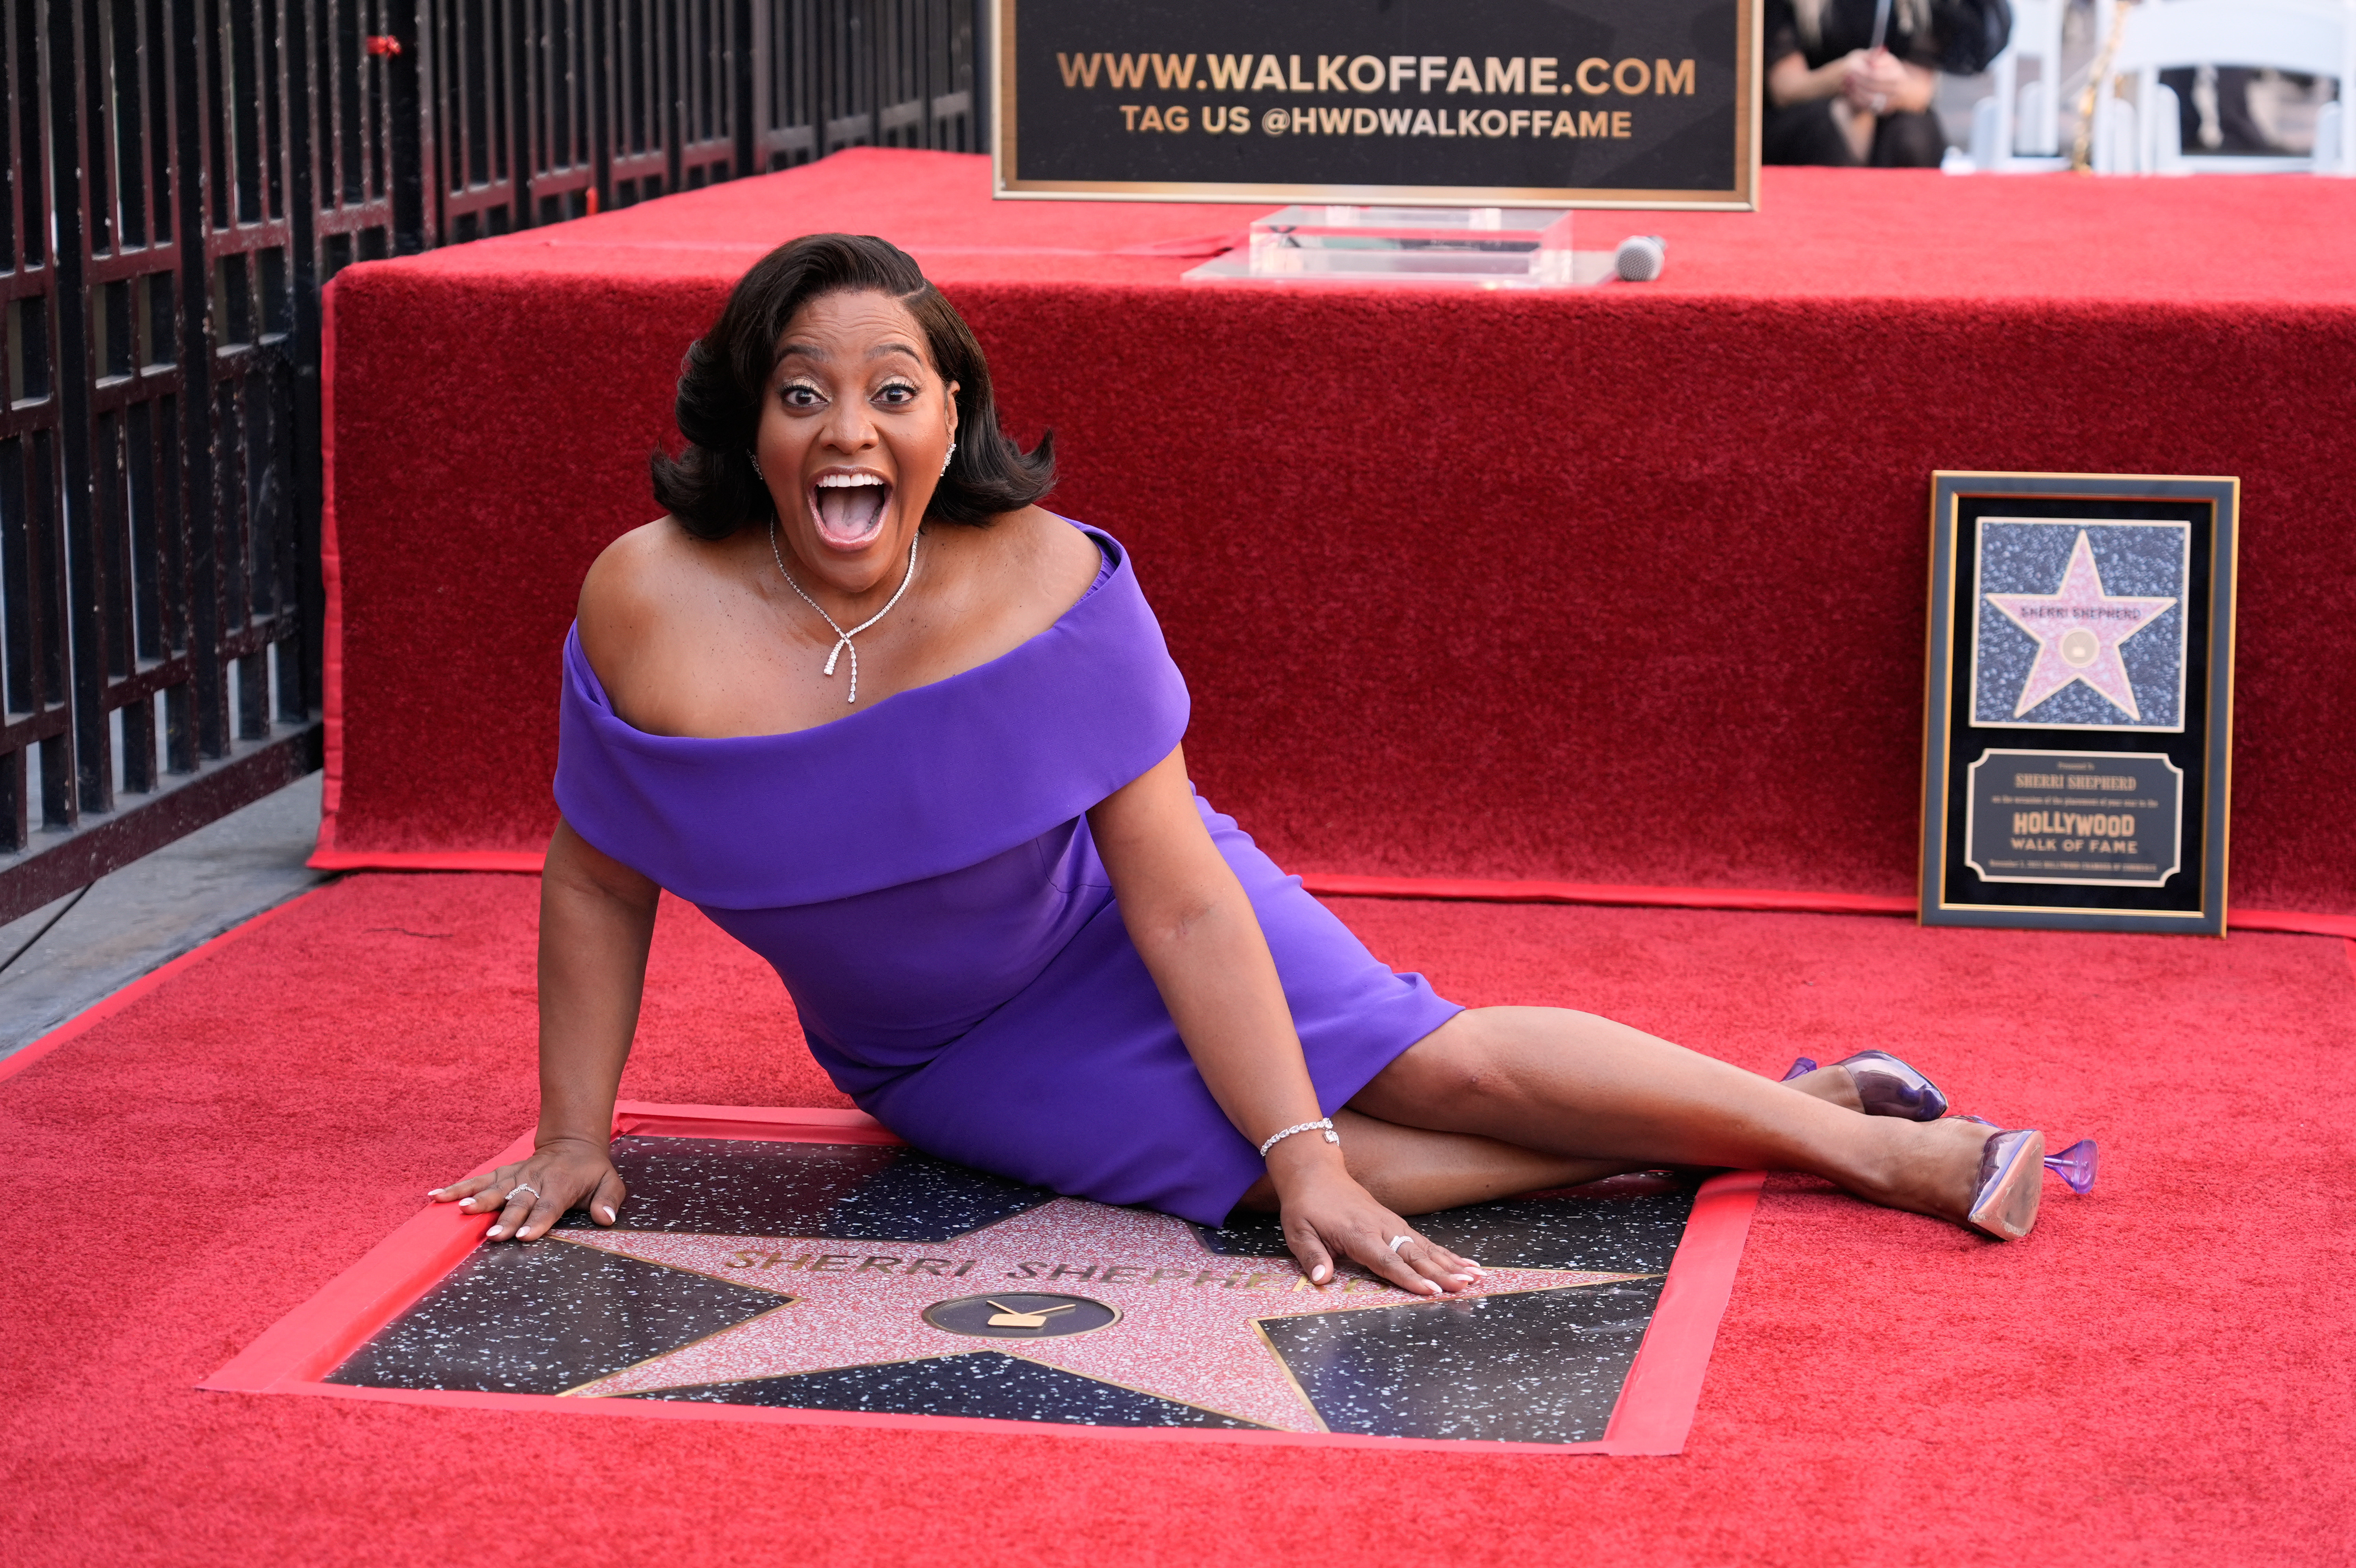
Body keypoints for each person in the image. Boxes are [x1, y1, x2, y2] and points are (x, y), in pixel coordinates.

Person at [429, 234, 2076, 1295]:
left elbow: (1179, 901)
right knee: (1348, 1172)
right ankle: (1774, 1112)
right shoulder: (647, 596)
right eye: (801, 397)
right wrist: (573, 1126)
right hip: (940, 1049)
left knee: (1429, 1073)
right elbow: (594, 867)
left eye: (890, 392)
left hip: (1129, 912)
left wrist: (1291, 1137)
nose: (846, 432)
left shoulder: (1051, 578)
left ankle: (1882, 1147)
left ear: (952, 418)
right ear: (746, 423)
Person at [1764, 0, 2013, 167]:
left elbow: (1919, 91)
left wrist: (1882, 83)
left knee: (1913, 134)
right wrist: (1845, 76)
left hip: (1891, 110)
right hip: (1804, 112)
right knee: (1828, 127)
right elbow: (1786, 88)